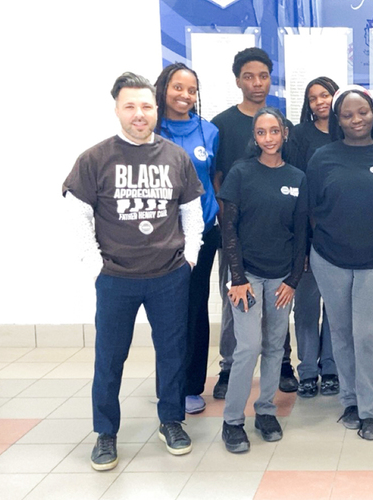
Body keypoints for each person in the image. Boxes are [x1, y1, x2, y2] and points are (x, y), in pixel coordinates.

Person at [63, 72, 204, 470]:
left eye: (146, 106)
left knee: (173, 354)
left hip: (169, 275)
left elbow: (191, 213)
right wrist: (95, 265)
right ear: (117, 110)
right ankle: (106, 433)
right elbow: (77, 214)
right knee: (110, 357)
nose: (139, 114)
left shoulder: (177, 158)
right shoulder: (95, 158)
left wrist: (189, 257)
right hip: (116, 279)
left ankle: (171, 422)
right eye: (130, 106)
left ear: (156, 109)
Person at [307, 86, 373, 441]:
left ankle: (371, 409)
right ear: (337, 120)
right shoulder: (322, 158)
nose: (355, 119)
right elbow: (312, 210)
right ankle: (350, 400)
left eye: (362, 112)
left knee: (369, 336)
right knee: (342, 334)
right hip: (330, 260)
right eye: (347, 115)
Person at [211, 47, 300, 399]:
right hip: (236, 233)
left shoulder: (282, 122)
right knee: (235, 299)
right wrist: (228, 218)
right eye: (249, 76)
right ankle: (229, 367)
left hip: (275, 236)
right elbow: (218, 176)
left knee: (279, 303)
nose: (257, 82)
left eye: (263, 76)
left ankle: (281, 364)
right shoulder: (223, 123)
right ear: (237, 81)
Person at [218, 107, 307, 452]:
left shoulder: (298, 177)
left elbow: (301, 235)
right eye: (261, 132)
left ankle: (266, 411)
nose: (268, 138)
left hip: (282, 278)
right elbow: (229, 230)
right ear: (253, 137)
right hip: (247, 276)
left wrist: (294, 280)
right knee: (248, 347)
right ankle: (232, 421)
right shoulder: (241, 173)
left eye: (274, 131)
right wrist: (237, 278)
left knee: (274, 346)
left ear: (284, 133)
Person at [153, 63, 220, 416]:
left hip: (202, 234)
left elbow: (213, 179)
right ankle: (168, 384)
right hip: (160, 237)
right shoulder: (150, 129)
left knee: (194, 309)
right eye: (178, 87)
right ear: (163, 88)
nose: (185, 95)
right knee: (166, 312)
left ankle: (192, 386)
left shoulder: (209, 132)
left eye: (191, 90)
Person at [286, 76, 340, 398]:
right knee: (306, 307)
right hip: (306, 234)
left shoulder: (348, 130)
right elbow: (296, 187)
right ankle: (307, 369)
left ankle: (331, 367)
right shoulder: (300, 135)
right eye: (313, 98)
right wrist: (301, 240)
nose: (320, 102)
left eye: (326, 95)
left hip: (338, 235)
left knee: (335, 308)